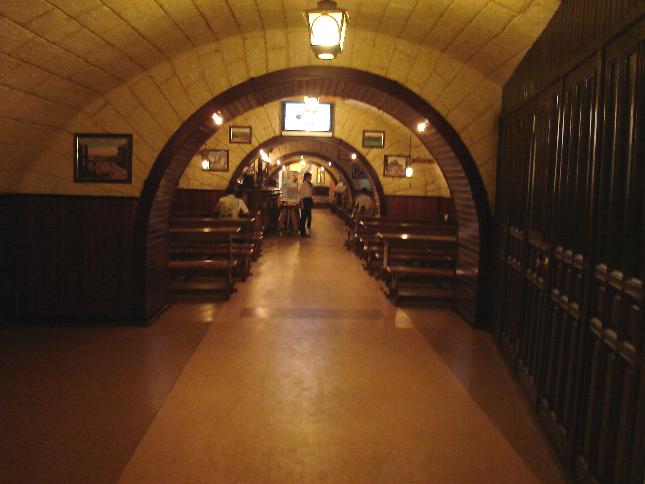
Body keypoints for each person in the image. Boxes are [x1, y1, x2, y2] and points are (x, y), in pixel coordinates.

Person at [299, 172, 314, 237]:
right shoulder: (303, 185)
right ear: (306, 177)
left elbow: (310, 193)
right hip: (305, 201)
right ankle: (302, 232)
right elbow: (301, 195)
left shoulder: (310, 184)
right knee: (303, 217)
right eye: (310, 177)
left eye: (311, 177)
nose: (310, 178)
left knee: (307, 216)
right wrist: (302, 204)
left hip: (309, 200)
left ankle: (303, 230)